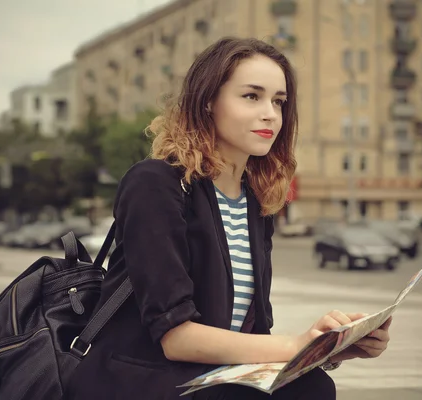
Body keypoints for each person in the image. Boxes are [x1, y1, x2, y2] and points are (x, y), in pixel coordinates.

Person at [66, 37, 392, 400]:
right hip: (140, 378)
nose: (270, 113)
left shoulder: (254, 200)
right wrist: (298, 344)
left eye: (279, 101)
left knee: (313, 387)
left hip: (209, 378)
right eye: (252, 96)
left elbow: (253, 337)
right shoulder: (155, 183)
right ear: (208, 101)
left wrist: (326, 350)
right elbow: (176, 338)